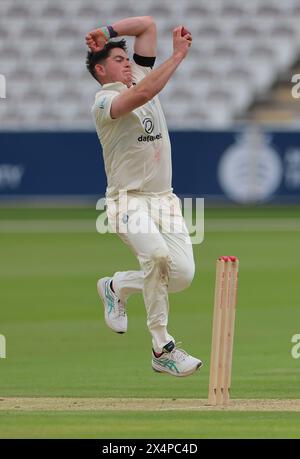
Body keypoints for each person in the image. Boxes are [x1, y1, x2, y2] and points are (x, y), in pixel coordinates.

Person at [85, 16, 202, 377]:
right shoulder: (104, 103)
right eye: (119, 60)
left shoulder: (137, 76)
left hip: (163, 198)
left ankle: (117, 285)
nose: (127, 64)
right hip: (127, 200)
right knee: (156, 256)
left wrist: (106, 33)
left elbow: (147, 26)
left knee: (181, 275)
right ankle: (162, 348)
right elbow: (146, 94)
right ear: (102, 70)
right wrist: (177, 56)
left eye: (127, 59)